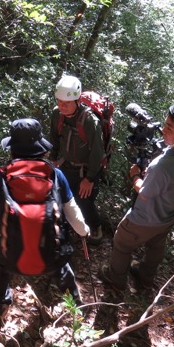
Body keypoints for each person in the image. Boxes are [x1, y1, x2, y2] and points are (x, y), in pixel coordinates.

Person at [0, 118, 89, 324]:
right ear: (41, 148)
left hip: (10, 257)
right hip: (51, 257)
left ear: (12, 149)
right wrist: (84, 231)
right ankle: (75, 308)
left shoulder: (3, 175)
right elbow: (72, 212)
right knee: (62, 267)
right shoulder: (56, 175)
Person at [100, 100, 174, 294]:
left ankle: (116, 279)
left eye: (169, 126)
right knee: (156, 244)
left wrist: (135, 174)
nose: (163, 129)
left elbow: (144, 192)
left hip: (146, 218)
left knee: (122, 243)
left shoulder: (163, 166)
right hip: (171, 213)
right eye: (165, 122)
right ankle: (145, 277)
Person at [49, 75, 105, 244]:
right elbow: (54, 138)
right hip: (64, 165)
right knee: (62, 196)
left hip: (86, 170)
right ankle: (67, 227)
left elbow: (97, 152)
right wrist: (52, 160)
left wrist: (89, 179)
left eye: (67, 102)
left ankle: (95, 227)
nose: (62, 106)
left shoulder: (89, 121)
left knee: (84, 201)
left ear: (78, 100)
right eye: (59, 101)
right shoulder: (56, 114)